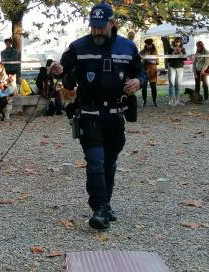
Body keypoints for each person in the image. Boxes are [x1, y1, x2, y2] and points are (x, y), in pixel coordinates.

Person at [60, 2, 145, 230]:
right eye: (93, 27)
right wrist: (60, 73)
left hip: (116, 114)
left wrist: (138, 81)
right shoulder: (78, 47)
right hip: (89, 114)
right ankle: (98, 208)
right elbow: (65, 74)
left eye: (100, 27)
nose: (96, 31)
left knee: (110, 162)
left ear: (112, 23)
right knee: (95, 162)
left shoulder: (127, 47)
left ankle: (105, 204)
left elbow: (141, 72)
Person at [164, 37, 186, 106]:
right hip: (172, 67)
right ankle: (171, 100)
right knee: (172, 84)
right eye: (176, 42)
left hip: (180, 68)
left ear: (180, 43)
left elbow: (185, 58)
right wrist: (173, 53)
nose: (177, 43)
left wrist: (180, 53)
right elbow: (168, 59)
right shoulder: (170, 49)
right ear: (174, 42)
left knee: (178, 85)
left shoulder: (183, 49)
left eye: (178, 42)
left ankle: (177, 100)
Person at [139, 39, 159, 107]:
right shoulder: (143, 51)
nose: (148, 46)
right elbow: (138, 58)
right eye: (147, 44)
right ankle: (144, 101)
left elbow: (156, 62)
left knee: (153, 87)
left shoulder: (155, 51)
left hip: (153, 71)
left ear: (152, 44)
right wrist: (143, 59)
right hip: (144, 71)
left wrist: (148, 59)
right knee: (144, 87)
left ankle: (155, 101)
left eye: (149, 44)